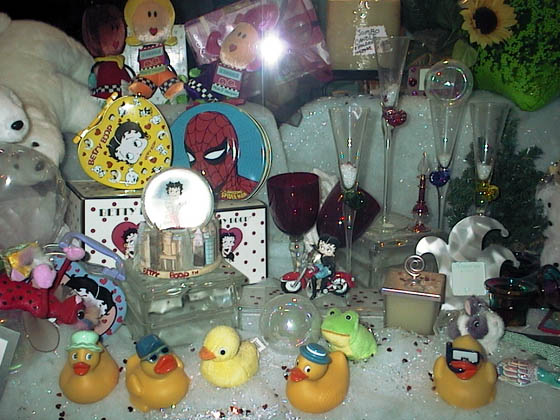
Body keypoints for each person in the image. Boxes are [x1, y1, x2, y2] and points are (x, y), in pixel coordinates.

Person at [309, 235, 340, 299]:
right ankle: (317, 285)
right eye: (321, 247)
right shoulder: (323, 254)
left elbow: (331, 265)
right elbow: (318, 250)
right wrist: (313, 246)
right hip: (324, 266)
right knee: (314, 266)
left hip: (328, 270)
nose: (323, 250)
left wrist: (329, 266)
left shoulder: (329, 258)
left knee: (313, 277)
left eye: (328, 249)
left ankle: (314, 293)